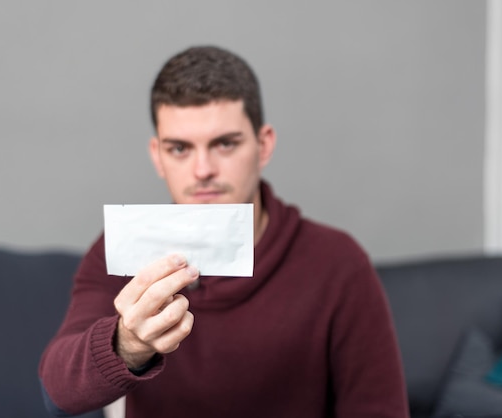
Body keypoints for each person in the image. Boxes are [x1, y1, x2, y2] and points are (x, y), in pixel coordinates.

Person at [39, 45, 409, 418]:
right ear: (158, 156)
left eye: (225, 144)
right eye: (180, 148)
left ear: (263, 146)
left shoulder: (337, 262)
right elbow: (59, 389)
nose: (203, 170)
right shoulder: (124, 250)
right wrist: (127, 344)